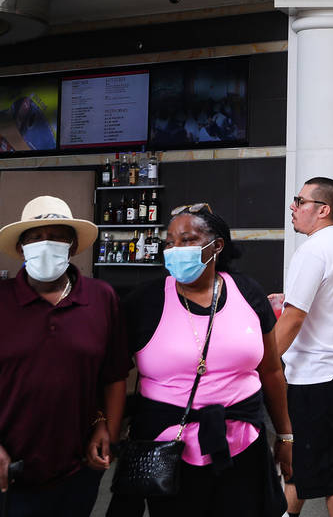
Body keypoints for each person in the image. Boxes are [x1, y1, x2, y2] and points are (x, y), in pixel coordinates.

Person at [116, 203, 290, 517]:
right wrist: (107, 427)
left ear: (216, 245)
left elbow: (272, 370)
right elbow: (114, 373)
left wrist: (286, 435)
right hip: (169, 448)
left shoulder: (247, 292)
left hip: (243, 442)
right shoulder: (144, 301)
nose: (176, 249)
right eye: (170, 242)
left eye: (187, 240)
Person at [0, 196, 128, 517]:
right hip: (6, 473)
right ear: (20, 249)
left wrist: (106, 430)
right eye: (35, 237)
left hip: (77, 470)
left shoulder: (101, 298)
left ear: (72, 247)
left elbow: (113, 376)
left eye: (57, 236)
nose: (46, 244)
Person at [275, 177, 333, 517]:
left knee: (332, 470)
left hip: (316, 375)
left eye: (300, 200)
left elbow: (293, 318)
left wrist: (261, 364)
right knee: (305, 455)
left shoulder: (313, 249)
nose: (293, 207)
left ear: (323, 209)